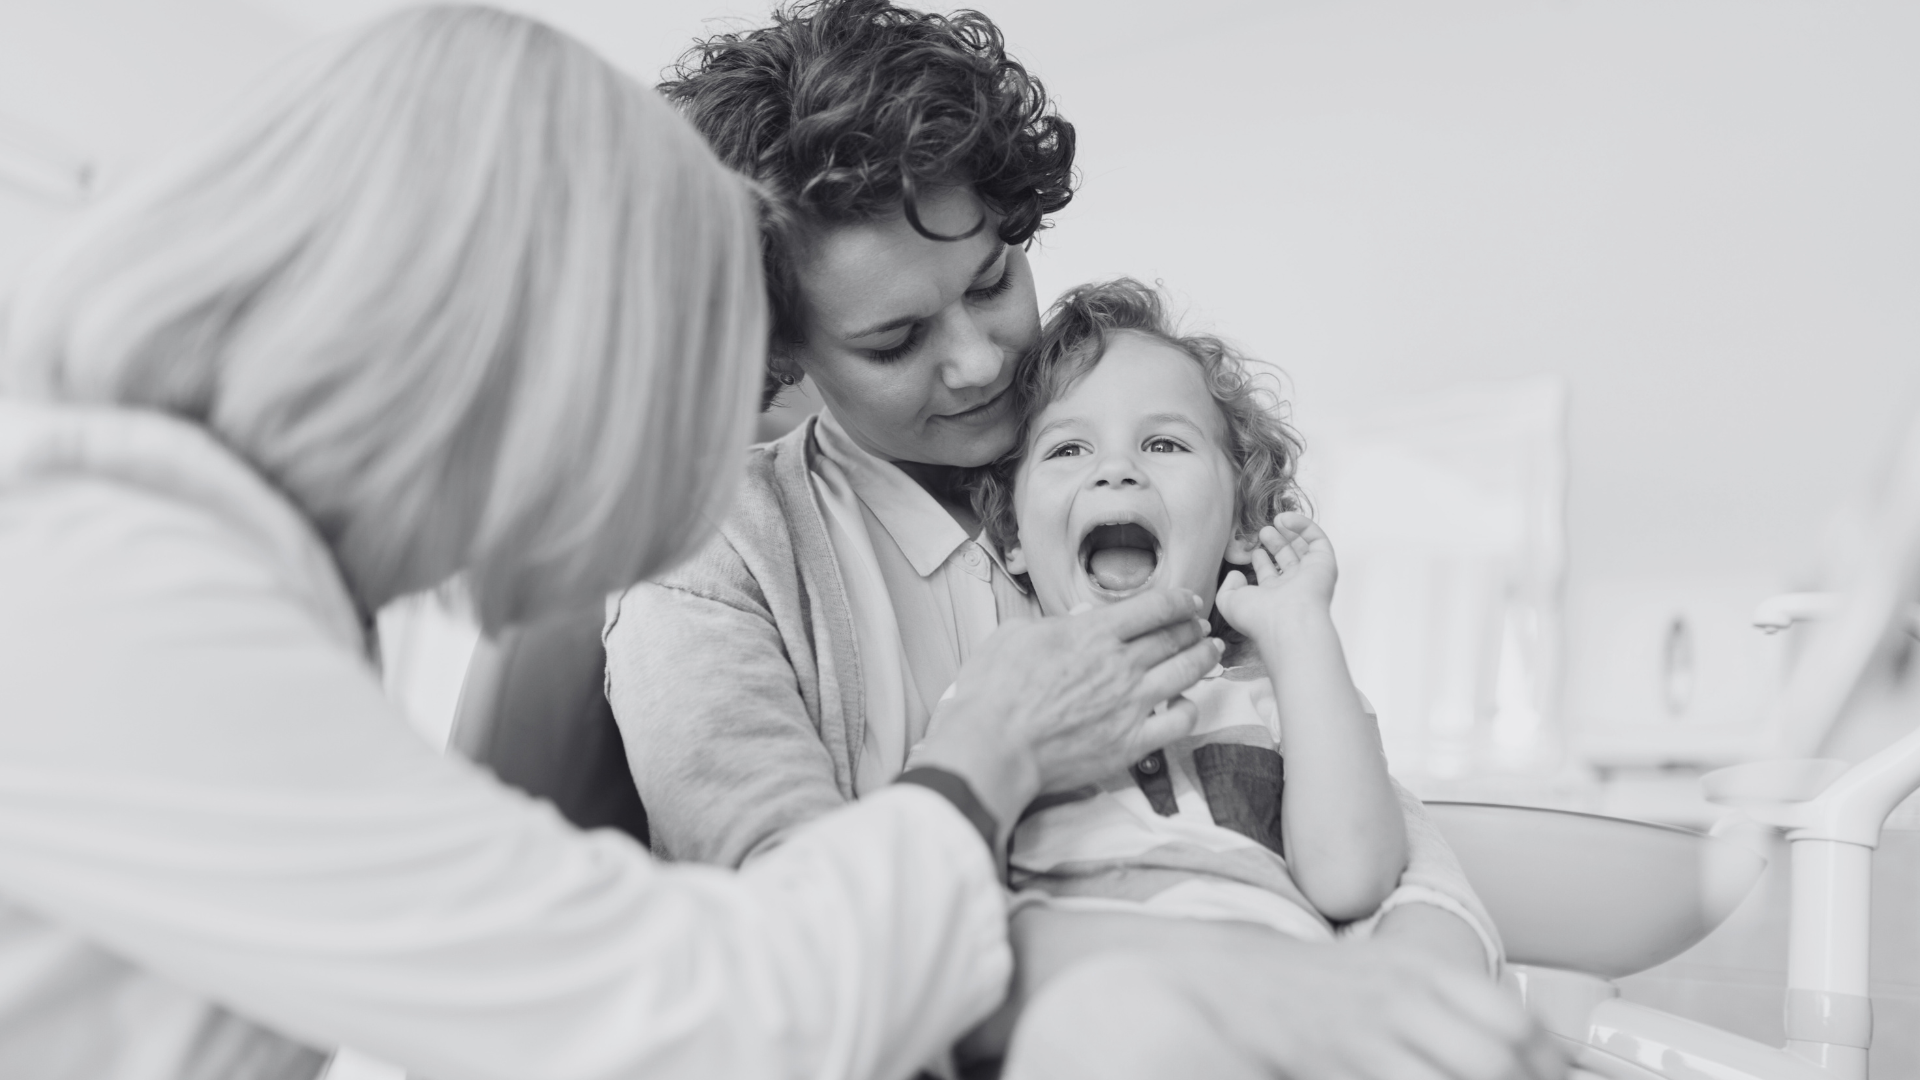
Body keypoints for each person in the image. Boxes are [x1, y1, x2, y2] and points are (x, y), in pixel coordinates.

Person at [0, 8, 1218, 1080]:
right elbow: (710, 1017)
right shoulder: (106, 600)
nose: (634, 464)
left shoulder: (219, 589)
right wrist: (986, 753)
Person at [606, 2, 1560, 1077]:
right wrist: (1261, 977)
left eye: (990, 283)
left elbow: (1331, 800)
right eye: (895, 340)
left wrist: (1422, 958)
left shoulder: (1125, 476)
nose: (977, 363)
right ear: (785, 348)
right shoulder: (711, 560)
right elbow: (799, 933)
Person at [962, 278, 1507, 1072]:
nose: (1116, 471)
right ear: (1012, 534)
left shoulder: (1283, 695)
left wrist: (1299, 633)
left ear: (1242, 524)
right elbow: (937, 907)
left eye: (1165, 444)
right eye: (1069, 448)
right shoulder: (991, 695)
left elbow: (1352, 879)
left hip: (1282, 1030)